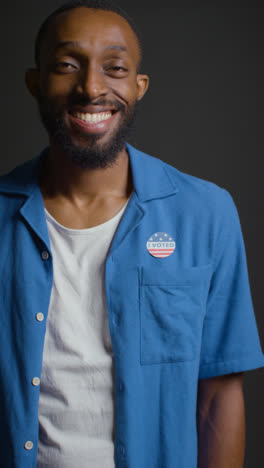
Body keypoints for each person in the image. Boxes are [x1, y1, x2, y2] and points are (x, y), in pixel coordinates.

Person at [0, 1, 263, 467]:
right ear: (35, 83)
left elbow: (220, 396)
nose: (92, 87)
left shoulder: (206, 213)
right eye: (66, 66)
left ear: (139, 87)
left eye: (115, 68)